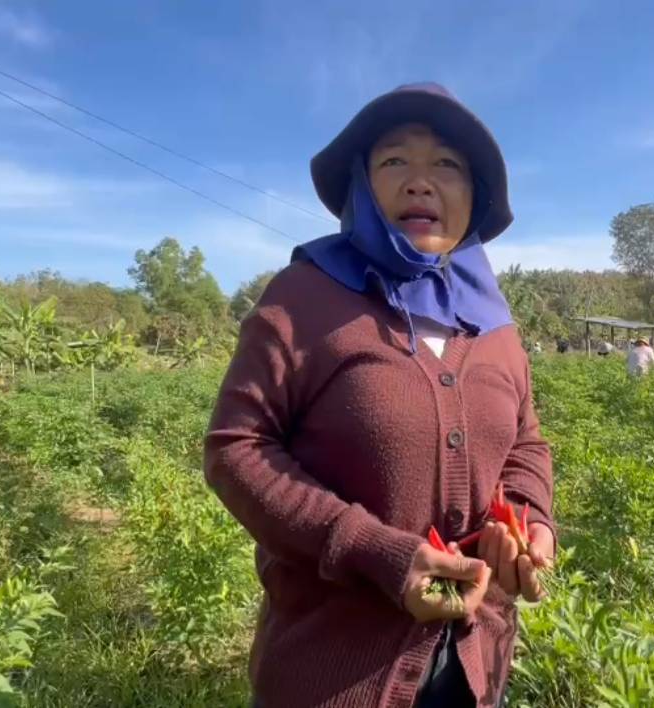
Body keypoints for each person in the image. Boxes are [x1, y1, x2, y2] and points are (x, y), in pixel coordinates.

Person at [204, 83, 555, 708]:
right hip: (333, 675)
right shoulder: (303, 298)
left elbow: (525, 443)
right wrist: (373, 551)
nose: (421, 182)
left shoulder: (493, 324)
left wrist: (528, 520)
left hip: (478, 665)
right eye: (394, 161)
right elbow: (237, 447)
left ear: (474, 195)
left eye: (446, 165)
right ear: (361, 187)